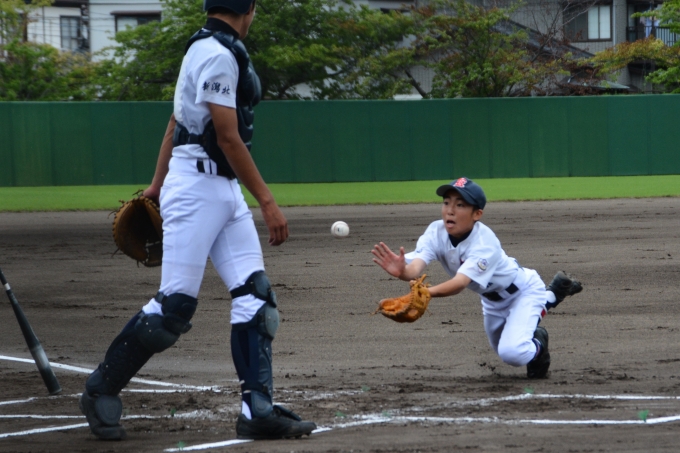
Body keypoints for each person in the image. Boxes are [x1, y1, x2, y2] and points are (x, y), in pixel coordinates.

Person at [79, 0, 316, 441]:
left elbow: (177, 120)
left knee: (255, 297)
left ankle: (257, 410)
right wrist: (267, 202)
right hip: (196, 189)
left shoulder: (207, 47)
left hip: (221, 189)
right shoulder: (216, 53)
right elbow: (227, 137)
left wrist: (156, 183)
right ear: (249, 8)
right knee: (174, 306)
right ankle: (100, 388)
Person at [371, 177, 582, 379]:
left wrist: (426, 292)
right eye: (446, 202)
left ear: (477, 214)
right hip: (491, 302)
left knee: (514, 353)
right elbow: (415, 268)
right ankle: (552, 295)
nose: (450, 210)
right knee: (502, 349)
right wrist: (402, 272)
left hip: (523, 291)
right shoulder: (436, 231)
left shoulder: (485, 242)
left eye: (460, 205)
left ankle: (540, 341)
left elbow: (459, 283)